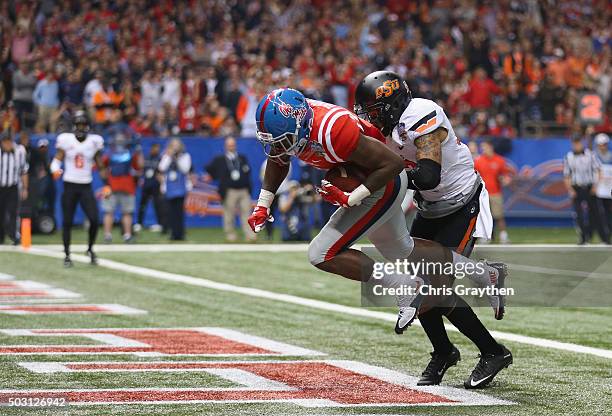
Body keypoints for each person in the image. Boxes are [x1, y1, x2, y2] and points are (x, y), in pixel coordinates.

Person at [249, 89, 507, 384]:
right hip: (413, 194)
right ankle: (475, 285)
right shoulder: (301, 130)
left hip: (416, 191)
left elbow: (398, 167)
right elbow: (280, 158)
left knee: (324, 253)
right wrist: (263, 203)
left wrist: (350, 196)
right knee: (404, 253)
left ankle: (484, 348)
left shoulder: (336, 128)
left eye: (283, 139)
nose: (279, 148)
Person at [355, 71, 511, 389]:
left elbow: (428, 176)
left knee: (436, 289)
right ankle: (444, 351)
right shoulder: (385, 128)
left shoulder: (421, 114)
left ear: (389, 105)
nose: (369, 118)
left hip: (462, 203)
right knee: (419, 284)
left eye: (372, 110)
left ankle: (493, 352)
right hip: (430, 207)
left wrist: (379, 179)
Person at [50, 111, 106, 266]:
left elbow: (100, 164)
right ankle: (67, 254)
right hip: (70, 185)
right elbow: (56, 160)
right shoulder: (66, 141)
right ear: (73, 126)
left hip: (86, 186)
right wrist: (55, 170)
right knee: (67, 222)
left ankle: (90, 248)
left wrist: (107, 183)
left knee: (94, 219)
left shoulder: (94, 142)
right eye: (78, 124)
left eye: (83, 124)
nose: (81, 128)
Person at [206, 137, 254, 242]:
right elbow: (209, 169)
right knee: (229, 214)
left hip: (243, 190)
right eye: (229, 145)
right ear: (225, 146)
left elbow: (248, 172)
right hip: (229, 191)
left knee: (247, 213)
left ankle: (250, 235)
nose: (231, 147)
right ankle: (230, 235)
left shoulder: (242, 158)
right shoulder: (220, 159)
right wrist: (214, 176)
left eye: (233, 144)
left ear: (235, 145)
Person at [564, 136, 609, 244]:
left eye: (578, 143)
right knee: (579, 215)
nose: (576, 145)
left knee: (597, 213)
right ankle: (584, 238)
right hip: (577, 188)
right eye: (574, 143)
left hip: (590, 187)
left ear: (582, 143)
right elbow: (567, 175)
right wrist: (570, 189)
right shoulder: (569, 157)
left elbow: (599, 170)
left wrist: (596, 186)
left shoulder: (590, 155)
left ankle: (604, 238)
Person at [101, 133, 143, 244]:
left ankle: (126, 235)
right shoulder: (110, 154)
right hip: (113, 185)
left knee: (126, 212)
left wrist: (139, 152)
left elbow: (139, 167)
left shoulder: (129, 153)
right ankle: (108, 236)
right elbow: (101, 167)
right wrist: (106, 181)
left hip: (126, 186)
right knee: (109, 212)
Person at [474, 140, 513, 243]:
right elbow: (475, 176)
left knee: (499, 216)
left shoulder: (500, 160)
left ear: (491, 147)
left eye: (484, 147)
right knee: (483, 217)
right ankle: (484, 237)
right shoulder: (478, 161)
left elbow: (506, 175)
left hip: (496, 193)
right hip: (482, 194)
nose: (483, 149)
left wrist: (506, 180)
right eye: (482, 147)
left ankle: (503, 236)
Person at [159, 138, 191, 241]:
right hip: (170, 187)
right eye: (173, 145)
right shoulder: (166, 156)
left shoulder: (185, 156)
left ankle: (180, 234)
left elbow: (185, 169)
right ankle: (173, 233)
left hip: (180, 186)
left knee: (179, 211)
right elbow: (162, 168)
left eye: (177, 145)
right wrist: (169, 156)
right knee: (170, 211)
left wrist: (177, 158)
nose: (175, 147)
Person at [0, 132, 29, 245]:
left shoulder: (20, 151)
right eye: (5, 142)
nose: (7, 145)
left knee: (14, 212)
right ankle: (1, 237)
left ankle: (14, 236)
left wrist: (25, 188)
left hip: (13, 187)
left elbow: (24, 171)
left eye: (9, 142)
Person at [135, 143, 165, 233]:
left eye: (158, 148)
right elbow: (141, 168)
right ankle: (139, 223)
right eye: (155, 148)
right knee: (142, 205)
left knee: (158, 205)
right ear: (151, 148)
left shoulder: (160, 159)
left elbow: (162, 171)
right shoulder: (147, 157)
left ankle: (160, 223)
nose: (156, 150)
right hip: (146, 184)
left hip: (156, 185)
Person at [594, 133, 612, 236]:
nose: (602, 146)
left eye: (604, 144)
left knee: (609, 211)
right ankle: (603, 234)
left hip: (609, 187)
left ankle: (609, 231)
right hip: (599, 187)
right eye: (601, 144)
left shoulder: (611, 155)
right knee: (600, 212)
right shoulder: (594, 156)